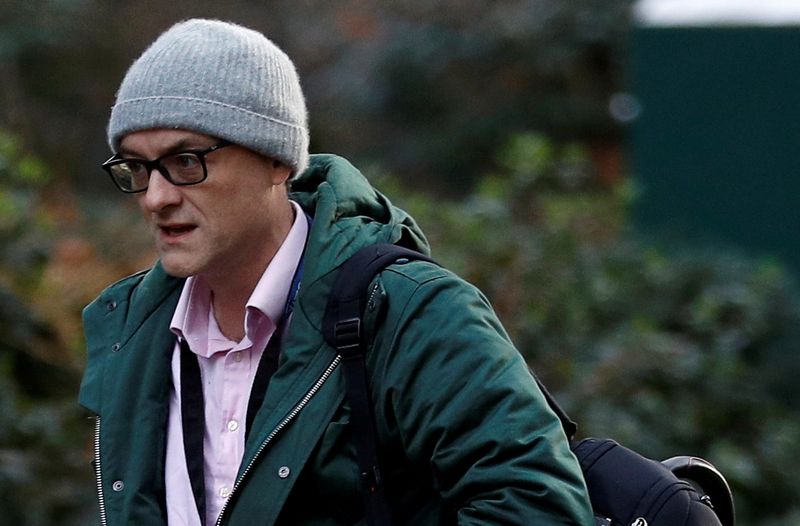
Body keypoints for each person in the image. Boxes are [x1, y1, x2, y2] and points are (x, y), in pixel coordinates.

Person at [79, 18, 593, 526]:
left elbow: (540, 509)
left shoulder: (411, 312)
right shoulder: (132, 333)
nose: (156, 197)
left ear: (277, 161)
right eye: (137, 168)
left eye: (187, 161)